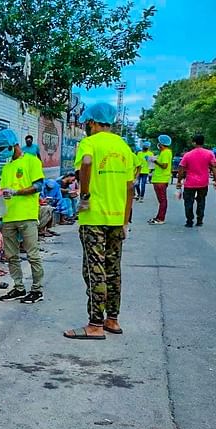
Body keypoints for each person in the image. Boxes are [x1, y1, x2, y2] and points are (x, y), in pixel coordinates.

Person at [63, 103, 133, 340]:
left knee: (94, 269)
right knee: (114, 268)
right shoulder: (124, 147)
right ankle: (112, 319)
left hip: (94, 216)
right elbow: (130, 186)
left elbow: (87, 163)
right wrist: (125, 221)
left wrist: (84, 196)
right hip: (117, 217)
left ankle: (95, 324)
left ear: (92, 122)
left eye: (87, 123)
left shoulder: (89, 143)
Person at [0, 128, 46, 304]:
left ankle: (37, 289)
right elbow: (2, 190)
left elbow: (38, 186)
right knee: (11, 255)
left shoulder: (32, 161)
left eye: (2, 148)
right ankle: (19, 287)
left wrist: (16, 192)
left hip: (27, 216)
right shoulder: (7, 167)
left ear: (13, 145)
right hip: (9, 217)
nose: (1, 152)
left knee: (32, 254)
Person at [176, 134, 216, 227]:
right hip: (203, 183)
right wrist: (215, 179)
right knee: (201, 201)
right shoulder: (209, 154)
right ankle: (199, 220)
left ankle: (189, 221)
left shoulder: (188, 155)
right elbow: (214, 167)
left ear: (194, 142)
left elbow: (181, 169)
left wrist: (179, 181)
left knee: (188, 202)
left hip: (190, 183)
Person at [148, 134, 173, 224]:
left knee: (162, 200)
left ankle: (161, 219)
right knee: (161, 200)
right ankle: (158, 217)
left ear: (161, 144)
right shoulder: (164, 153)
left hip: (161, 179)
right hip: (158, 178)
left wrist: (154, 161)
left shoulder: (166, 152)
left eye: (159, 142)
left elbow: (164, 165)